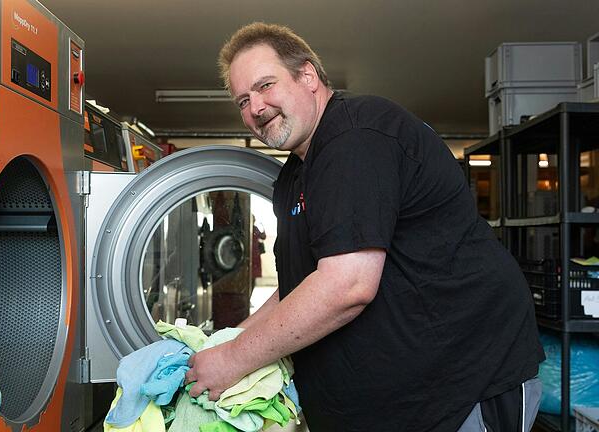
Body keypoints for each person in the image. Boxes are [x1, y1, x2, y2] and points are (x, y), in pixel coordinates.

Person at [185, 22, 545, 431]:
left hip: (461, 388)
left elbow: (348, 286)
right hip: (393, 405)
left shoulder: (355, 135)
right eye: (243, 100)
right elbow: (298, 287)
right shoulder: (294, 176)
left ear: (308, 76)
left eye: (265, 85)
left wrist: (234, 359)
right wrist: (223, 343)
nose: (255, 108)